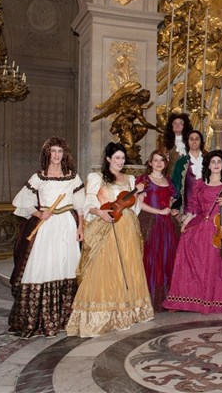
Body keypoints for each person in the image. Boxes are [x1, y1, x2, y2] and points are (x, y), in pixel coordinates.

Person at [66, 143, 154, 337]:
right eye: (117, 158)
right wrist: (100, 212)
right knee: (106, 267)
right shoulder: (97, 177)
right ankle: (103, 315)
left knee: (128, 267)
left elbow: (133, 207)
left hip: (128, 227)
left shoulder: (130, 179)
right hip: (107, 224)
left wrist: (138, 194)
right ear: (108, 159)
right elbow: (89, 201)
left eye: (122, 158)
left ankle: (127, 311)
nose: (120, 162)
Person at [8, 136, 84, 338]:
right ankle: (38, 320)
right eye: (53, 151)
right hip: (46, 227)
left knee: (67, 267)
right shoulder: (39, 177)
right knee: (42, 268)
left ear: (64, 154)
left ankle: (66, 319)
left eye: (60, 151)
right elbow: (22, 201)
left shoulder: (73, 177)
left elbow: (80, 205)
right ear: (47, 154)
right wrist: (39, 213)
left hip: (67, 226)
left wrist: (80, 227)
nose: (56, 155)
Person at [163, 150, 222, 313]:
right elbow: (193, 207)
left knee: (216, 250)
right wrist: (186, 222)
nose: (216, 165)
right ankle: (191, 297)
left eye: (219, 162)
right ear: (208, 165)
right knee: (187, 237)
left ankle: (217, 300)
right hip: (203, 220)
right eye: (213, 162)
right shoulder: (200, 184)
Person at [136, 150, 180, 311]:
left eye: (161, 160)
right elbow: (139, 203)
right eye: (155, 160)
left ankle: (168, 299)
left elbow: (169, 202)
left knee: (167, 258)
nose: (159, 163)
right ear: (150, 163)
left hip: (167, 224)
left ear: (165, 163)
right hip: (150, 223)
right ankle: (151, 299)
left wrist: (171, 210)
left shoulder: (168, 181)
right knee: (152, 259)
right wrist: (159, 212)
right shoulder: (145, 180)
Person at [171, 130, 205, 216]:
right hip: (187, 205)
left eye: (197, 139)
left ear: (201, 142)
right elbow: (175, 185)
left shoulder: (208, 161)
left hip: (205, 202)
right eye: (191, 139)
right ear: (187, 142)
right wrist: (175, 205)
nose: (194, 141)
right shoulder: (180, 163)